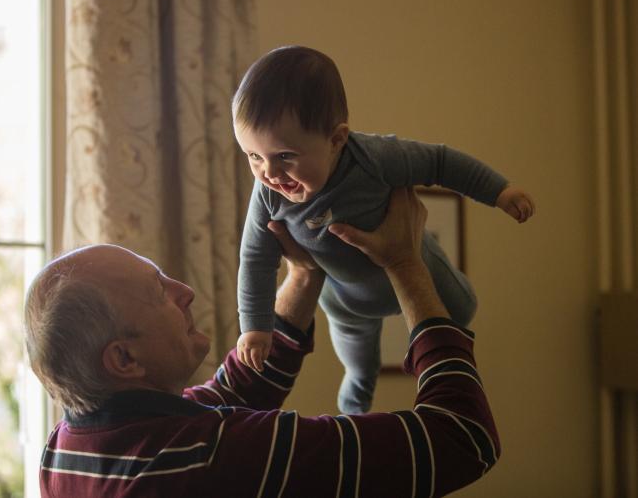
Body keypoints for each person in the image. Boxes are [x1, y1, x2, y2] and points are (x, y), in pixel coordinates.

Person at [25, 188, 500, 497]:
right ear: (124, 358)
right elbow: (461, 438)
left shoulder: (67, 449)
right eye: (159, 293)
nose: (185, 292)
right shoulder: (216, 459)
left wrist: (304, 273)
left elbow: (231, 392)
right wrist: (405, 264)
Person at [234, 45, 535, 413]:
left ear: (336, 140)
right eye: (253, 156)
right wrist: (255, 326)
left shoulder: (374, 158)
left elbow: (440, 162)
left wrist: (500, 191)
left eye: (284, 156)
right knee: (360, 367)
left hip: (416, 263)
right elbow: (255, 258)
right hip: (346, 301)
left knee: (463, 308)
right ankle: (354, 412)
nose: (269, 173)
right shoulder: (267, 194)